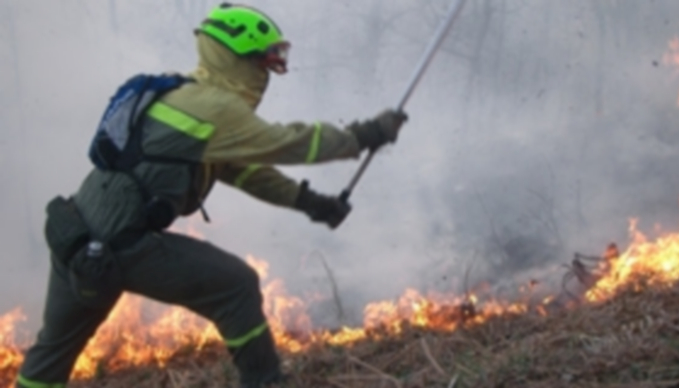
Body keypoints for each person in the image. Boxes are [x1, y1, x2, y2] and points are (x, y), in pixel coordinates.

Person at [15, 3, 407, 388]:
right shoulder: (216, 107)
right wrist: (364, 135)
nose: (269, 72)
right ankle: (265, 381)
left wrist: (309, 202)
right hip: (122, 243)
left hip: (77, 233)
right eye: (264, 62)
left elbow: (243, 170)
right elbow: (285, 143)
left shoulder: (184, 91)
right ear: (238, 57)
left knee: (52, 352)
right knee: (236, 285)